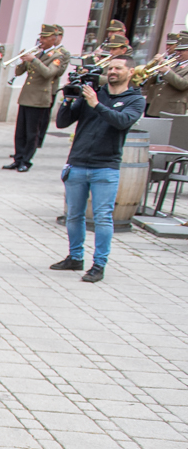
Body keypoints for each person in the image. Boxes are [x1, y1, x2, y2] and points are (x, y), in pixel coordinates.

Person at [50, 55, 146, 284]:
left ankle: (99, 264)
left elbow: (122, 122)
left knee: (102, 218)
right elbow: (62, 123)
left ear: (130, 72)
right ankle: (75, 257)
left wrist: (96, 105)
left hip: (106, 167)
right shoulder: (94, 92)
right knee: (74, 215)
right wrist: (68, 99)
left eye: (118, 68)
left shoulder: (135, 100)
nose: (112, 71)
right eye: (110, 68)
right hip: (78, 162)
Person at [6, 24, 70, 172]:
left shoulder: (56, 56)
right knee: (20, 131)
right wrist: (22, 61)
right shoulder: (38, 54)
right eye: (41, 37)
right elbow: (19, 71)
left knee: (32, 132)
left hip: (39, 98)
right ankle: (18, 158)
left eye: (45, 37)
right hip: (26, 96)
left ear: (53, 39)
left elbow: (48, 73)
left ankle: (26, 161)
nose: (41, 40)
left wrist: (33, 60)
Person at [145, 32, 188, 117]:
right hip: (155, 106)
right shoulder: (173, 63)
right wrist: (156, 72)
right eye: (177, 50)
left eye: (182, 50)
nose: (178, 53)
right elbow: (157, 82)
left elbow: (183, 84)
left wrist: (167, 72)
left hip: (172, 109)